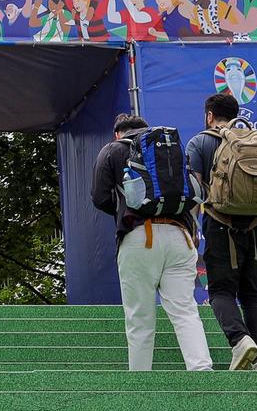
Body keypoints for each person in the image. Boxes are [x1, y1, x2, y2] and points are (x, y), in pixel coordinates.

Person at [91, 114, 213, 372]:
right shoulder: (169, 149)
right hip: (180, 237)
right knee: (185, 311)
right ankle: (202, 371)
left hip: (139, 237)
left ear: (118, 133)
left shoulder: (112, 150)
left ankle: (141, 383)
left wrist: (124, 207)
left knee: (140, 318)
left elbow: (99, 197)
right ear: (145, 129)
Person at [187, 92, 257, 371]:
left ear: (209, 116)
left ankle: (240, 340)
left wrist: (193, 228)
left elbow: (196, 192)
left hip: (221, 224)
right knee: (254, 294)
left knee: (221, 290)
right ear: (235, 115)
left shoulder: (200, 142)